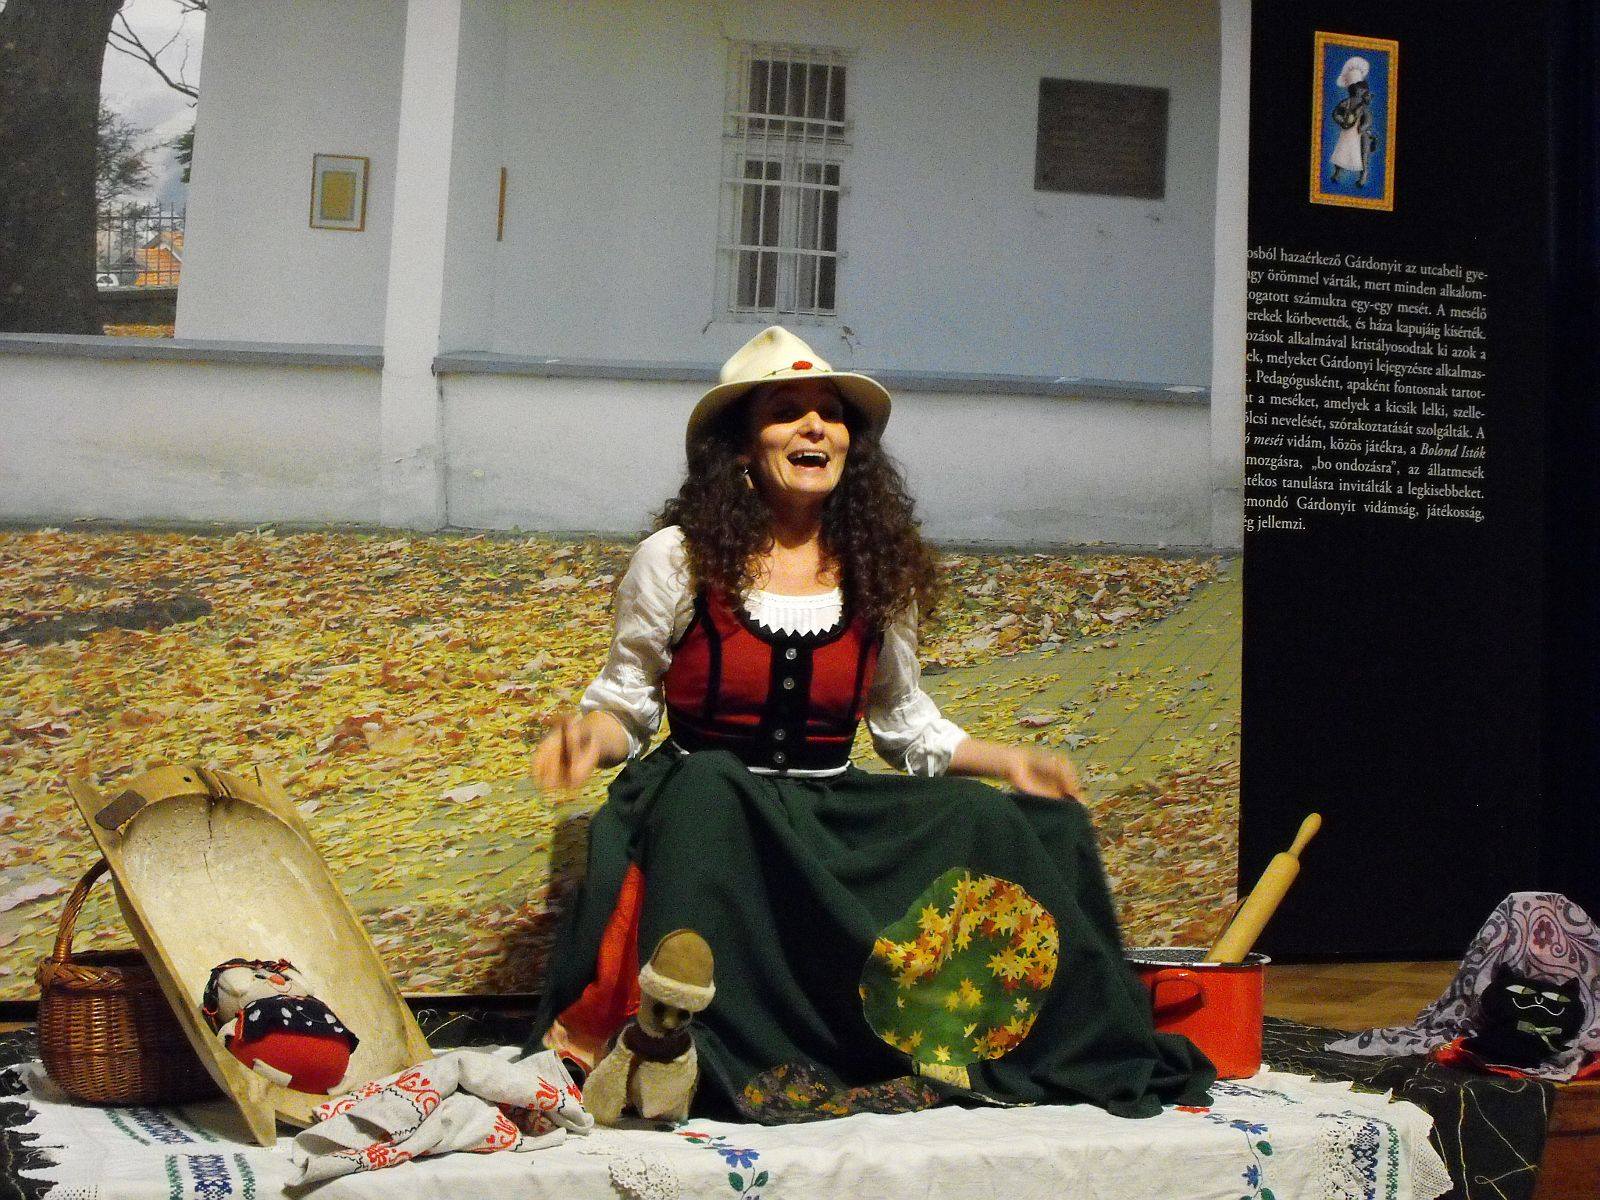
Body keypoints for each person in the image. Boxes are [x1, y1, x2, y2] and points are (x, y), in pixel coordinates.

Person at [524, 327, 1213, 1121]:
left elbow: (904, 721)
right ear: (741, 447)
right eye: (787, 412)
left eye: (831, 413)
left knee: (1005, 821)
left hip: (825, 807)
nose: (816, 427)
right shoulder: (677, 559)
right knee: (712, 783)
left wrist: (1003, 761)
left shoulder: (877, 565)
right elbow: (627, 705)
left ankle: (998, 1042)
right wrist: (592, 739)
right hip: (706, 810)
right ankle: (692, 1049)